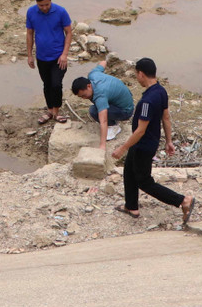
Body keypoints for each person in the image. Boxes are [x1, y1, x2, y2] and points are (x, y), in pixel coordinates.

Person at [111, 57, 195, 225]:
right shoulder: (161, 91)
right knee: (129, 170)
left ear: (141, 74)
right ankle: (131, 206)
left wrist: (123, 147)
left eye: (137, 75)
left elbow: (140, 130)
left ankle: (183, 200)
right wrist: (169, 141)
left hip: (143, 145)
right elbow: (166, 117)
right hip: (148, 142)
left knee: (145, 182)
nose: (137, 78)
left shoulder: (147, 102)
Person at [25, 0, 73, 125]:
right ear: (36, 2)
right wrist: (29, 55)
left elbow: (69, 32)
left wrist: (64, 54)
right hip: (42, 57)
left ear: (51, 1)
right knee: (47, 84)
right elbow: (30, 33)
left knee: (56, 84)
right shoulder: (31, 12)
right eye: (41, 5)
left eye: (47, 4)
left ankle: (56, 112)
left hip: (58, 57)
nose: (44, 8)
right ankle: (50, 110)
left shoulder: (61, 12)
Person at [71, 64, 134, 148]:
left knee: (94, 111)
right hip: (124, 101)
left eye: (84, 95)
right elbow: (103, 62)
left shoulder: (100, 95)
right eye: (81, 97)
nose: (84, 98)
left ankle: (113, 126)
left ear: (89, 86)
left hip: (126, 111)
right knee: (97, 108)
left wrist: (102, 144)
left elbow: (103, 120)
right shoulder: (93, 75)